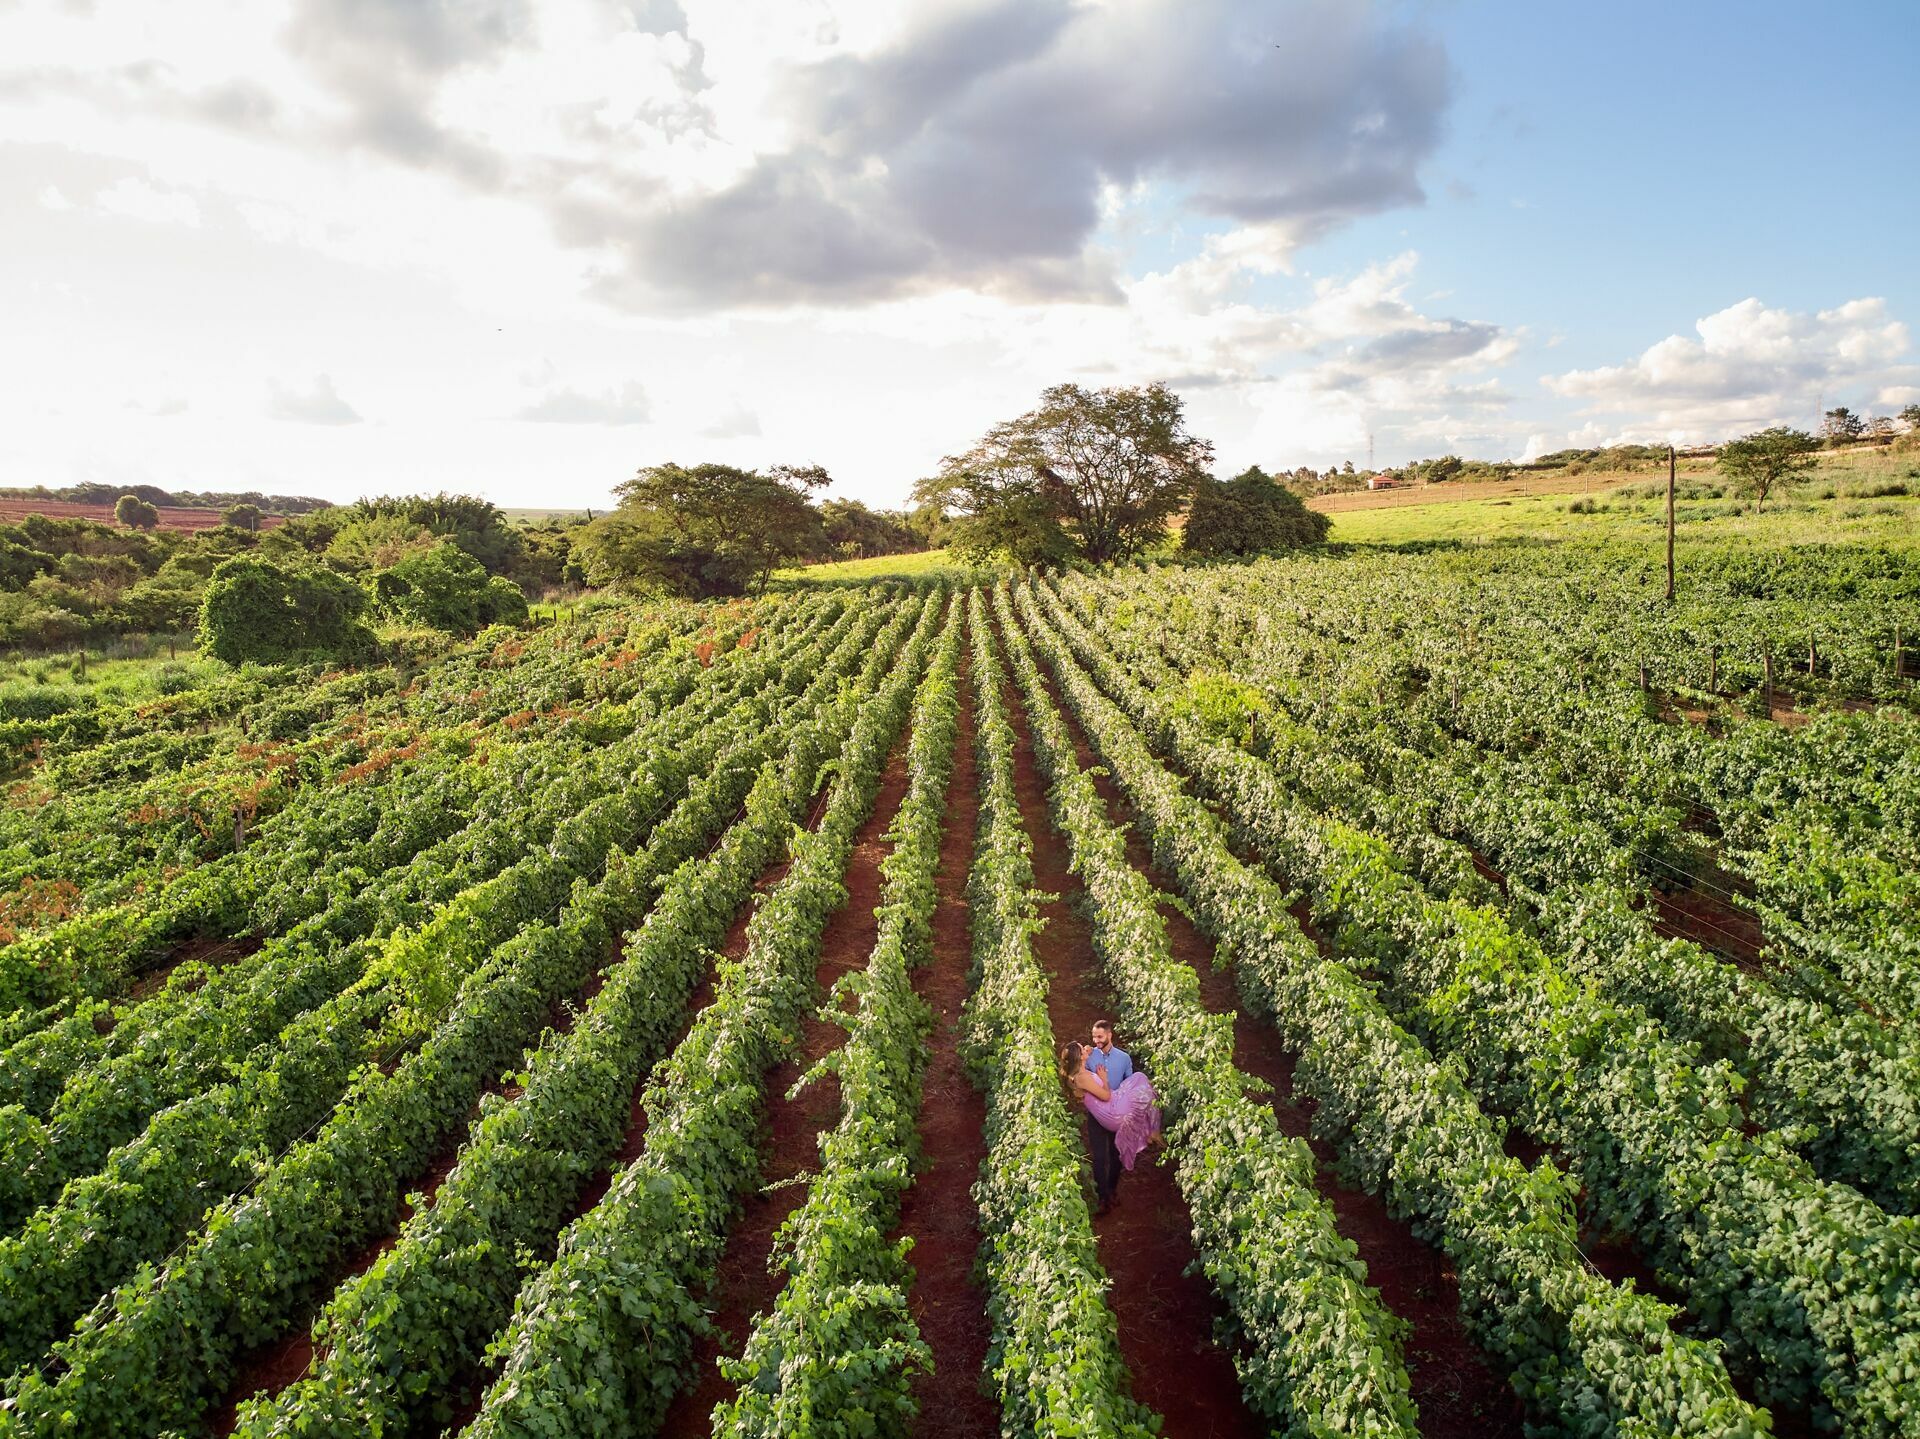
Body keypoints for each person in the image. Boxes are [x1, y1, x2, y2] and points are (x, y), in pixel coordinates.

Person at [1060, 1030, 1163, 1213]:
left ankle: (1105, 1196)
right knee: (1140, 1081)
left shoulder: (1075, 1074)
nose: (1086, 1047)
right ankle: (1150, 1131)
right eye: (1081, 1050)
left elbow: (1081, 1068)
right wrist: (1104, 1079)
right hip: (1110, 1110)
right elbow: (1106, 1096)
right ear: (1079, 1058)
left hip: (1101, 1113)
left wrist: (1086, 1053)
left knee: (1101, 1157)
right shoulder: (1083, 1076)